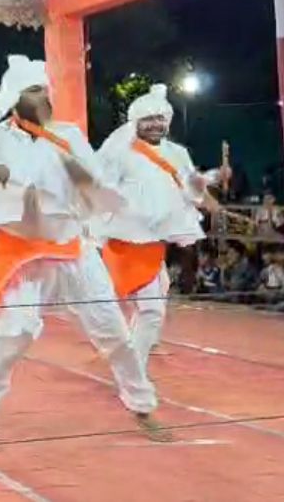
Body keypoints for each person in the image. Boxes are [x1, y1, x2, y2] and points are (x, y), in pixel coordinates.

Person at [0, 54, 165, 448]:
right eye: (32, 90)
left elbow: (94, 183)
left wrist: (111, 202)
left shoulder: (67, 136)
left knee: (113, 331)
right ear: (14, 96)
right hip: (20, 252)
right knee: (14, 332)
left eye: (45, 89)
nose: (43, 97)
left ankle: (142, 406)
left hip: (71, 246)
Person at [93, 84, 228, 367]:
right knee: (148, 309)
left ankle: (131, 354)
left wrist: (214, 178)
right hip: (125, 241)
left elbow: (190, 185)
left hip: (154, 241)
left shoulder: (176, 152)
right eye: (148, 119)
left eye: (160, 118)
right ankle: (132, 366)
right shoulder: (118, 152)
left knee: (156, 295)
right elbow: (98, 189)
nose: (155, 124)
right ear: (135, 121)